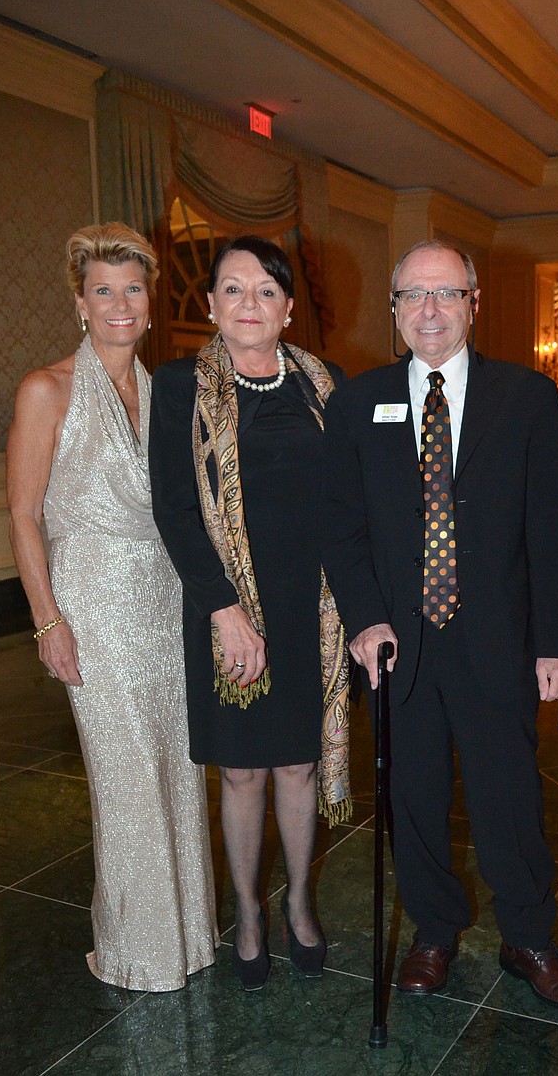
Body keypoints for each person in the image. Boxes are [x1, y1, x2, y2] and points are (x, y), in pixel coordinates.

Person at [321, 240, 558, 1009]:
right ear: (395, 307)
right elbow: (342, 527)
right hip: (398, 645)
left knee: (509, 794)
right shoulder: (358, 402)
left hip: (498, 639)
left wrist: (555, 644)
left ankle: (530, 936)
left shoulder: (528, 398)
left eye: (446, 294)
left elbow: (548, 530)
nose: (430, 311)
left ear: (474, 300)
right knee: (412, 795)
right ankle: (434, 930)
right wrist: (365, 619)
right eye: (413, 295)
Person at [6, 223, 219, 991]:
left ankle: (188, 937)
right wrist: (47, 620)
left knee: (174, 766)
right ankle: (137, 950)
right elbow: (25, 514)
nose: (120, 303)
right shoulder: (47, 388)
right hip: (93, 603)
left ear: (150, 302)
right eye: (104, 290)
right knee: (125, 778)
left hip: (165, 602)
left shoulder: (166, 394)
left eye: (133, 288)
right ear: (80, 304)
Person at [149, 235, 349, 993]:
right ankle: (249, 911)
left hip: (310, 607)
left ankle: (298, 900)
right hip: (224, 604)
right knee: (240, 773)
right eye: (233, 290)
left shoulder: (324, 384)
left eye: (266, 291)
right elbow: (174, 506)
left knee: (297, 765)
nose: (249, 305)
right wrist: (225, 611)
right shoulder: (180, 386)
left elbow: (347, 498)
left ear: (289, 308)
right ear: (210, 306)